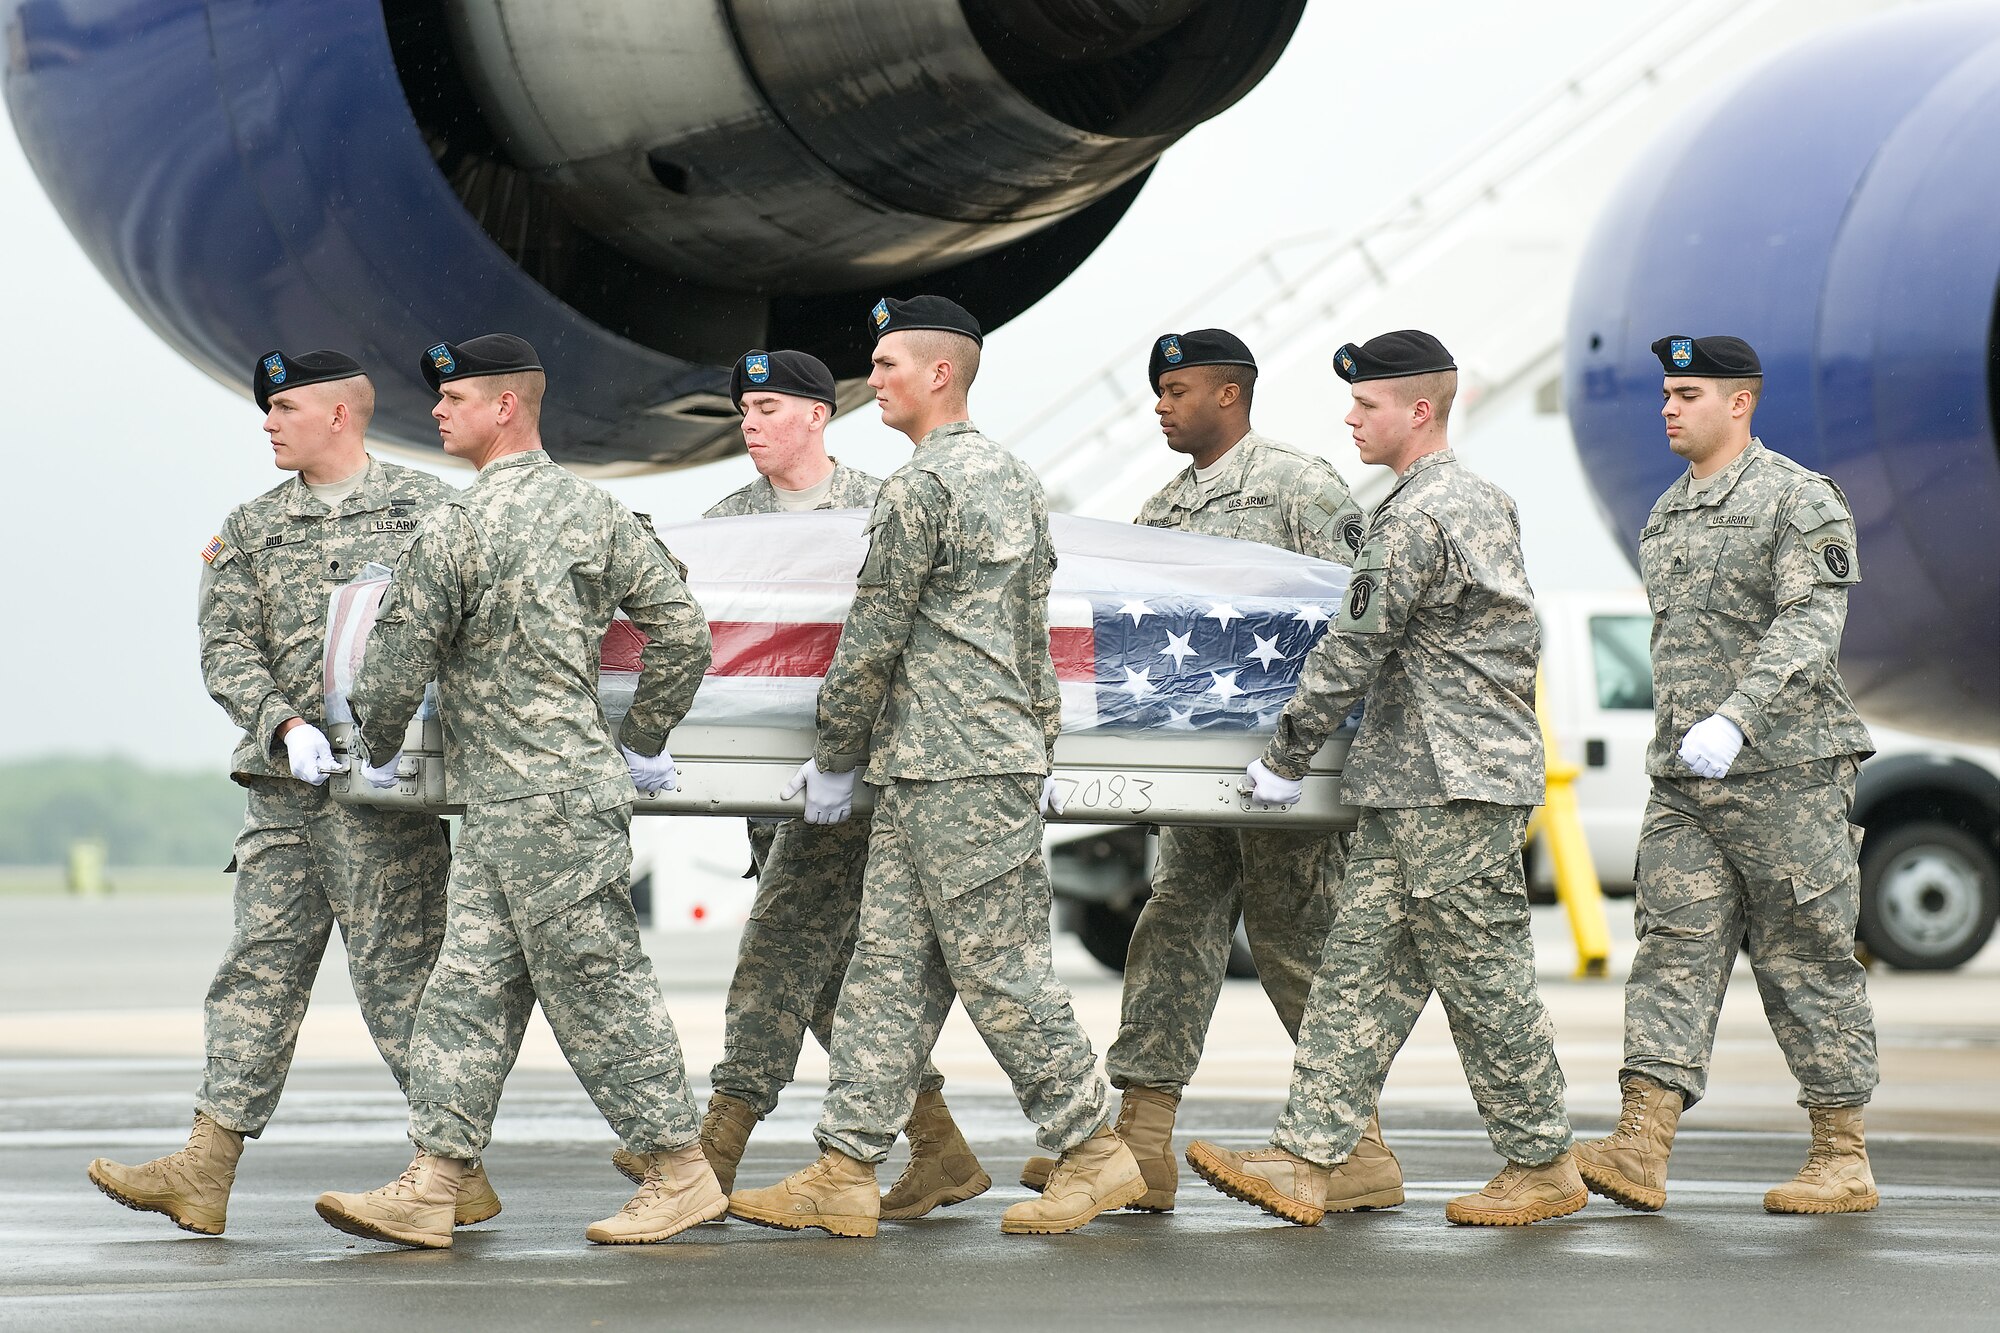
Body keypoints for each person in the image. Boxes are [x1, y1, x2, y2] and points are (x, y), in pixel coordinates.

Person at [727, 295, 1140, 1238]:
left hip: (948, 765)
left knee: (1000, 971)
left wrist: (833, 757)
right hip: (955, 764)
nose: (872, 379)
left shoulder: (921, 489)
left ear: (939, 374)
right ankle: (845, 1162)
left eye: (886, 366)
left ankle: (1094, 1149)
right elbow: (1033, 630)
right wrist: (1035, 740)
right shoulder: (1014, 477)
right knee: (886, 968)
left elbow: (873, 636)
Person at [313, 334, 720, 1249]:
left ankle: (681, 1170)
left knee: (597, 987)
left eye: (455, 397)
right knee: (468, 991)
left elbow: (396, 658)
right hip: (540, 799)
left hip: (534, 805)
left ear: (508, 406)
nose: (439, 411)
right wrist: (640, 739)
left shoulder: (459, 526)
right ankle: (435, 1179)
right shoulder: (599, 514)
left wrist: (375, 750)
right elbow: (683, 632)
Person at [1184, 329, 1583, 1227]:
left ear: (1421, 410)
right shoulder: (1482, 500)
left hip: (1449, 782)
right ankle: (1308, 1155)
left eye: (1367, 405)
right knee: (1356, 974)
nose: (1351, 418)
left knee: (1485, 981)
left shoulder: (1414, 519)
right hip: (1427, 781)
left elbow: (1353, 647)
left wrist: (1285, 755)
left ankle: (1542, 1161)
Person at [86, 350, 475, 1236]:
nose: (267, 420)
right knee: (257, 974)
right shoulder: (251, 529)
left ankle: (454, 1166)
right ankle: (204, 1167)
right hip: (284, 791)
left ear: (341, 415)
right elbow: (224, 648)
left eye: (285, 406)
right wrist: (282, 725)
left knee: (404, 983)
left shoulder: (432, 511)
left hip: (386, 795)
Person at [1020, 328, 1401, 1215]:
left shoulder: (1300, 485)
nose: (1162, 403)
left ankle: (1356, 1145)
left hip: (1286, 773)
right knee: (1173, 931)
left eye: (1178, 389)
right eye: (1159, 389)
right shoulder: (1160, 511)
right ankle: (1143, 1141)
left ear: (1229, 394)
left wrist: (1321, 754)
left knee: (1296, 942)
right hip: (1195, 777)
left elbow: (1355, 615)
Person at [609, 348, 988, 1218]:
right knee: (826, 975)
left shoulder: (880, 505)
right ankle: (940, 1146)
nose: (751, 422)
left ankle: (718, 1144)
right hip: (773, 795)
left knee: (781, 955)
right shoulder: (724, 523)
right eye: (744, 409)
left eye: (769, 406)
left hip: (861, 782)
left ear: (818, 414)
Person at [1572, 335, 1879, 1216]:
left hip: (1786, 772)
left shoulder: (1799, 500)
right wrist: (1691, 739)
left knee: (1805, 959)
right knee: (1671, 949)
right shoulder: (1666, 513)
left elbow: (1811, 622)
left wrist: (1737, 717)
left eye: (1689, 393)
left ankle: (1841, 1153)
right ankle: (1640, 1144)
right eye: (1666, 393)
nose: (1669, 408)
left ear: (1739, 402)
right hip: (1686, 783)